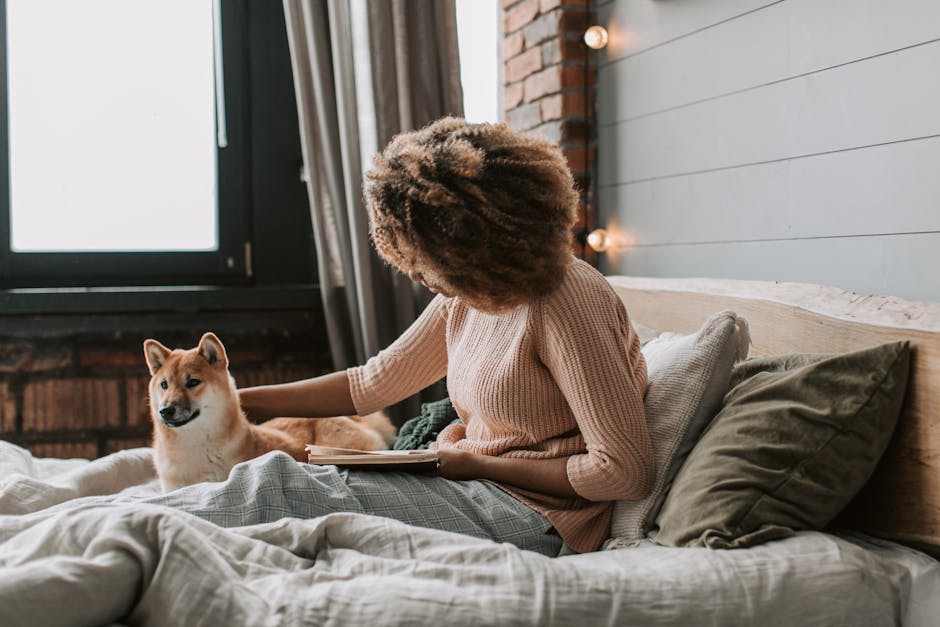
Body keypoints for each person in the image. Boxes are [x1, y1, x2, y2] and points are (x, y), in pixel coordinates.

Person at [238, 117, 653, 555]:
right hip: (474, 484)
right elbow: (371, 383)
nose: (416, 274)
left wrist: (478, 462)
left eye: (426, 258)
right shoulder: (474, 291)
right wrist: (236, 399)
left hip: (537, 515)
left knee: (278, 491)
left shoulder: (566, 299)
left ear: (473, 242)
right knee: (277, 477)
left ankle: (155, 539)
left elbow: (623, 471)